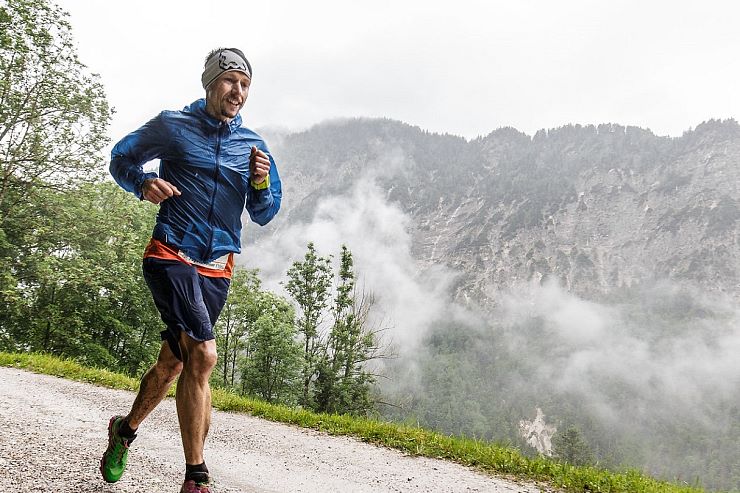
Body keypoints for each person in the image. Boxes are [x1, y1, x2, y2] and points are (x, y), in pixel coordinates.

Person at [102, 47, 281, 493]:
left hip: (217, 268)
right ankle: (196, 476)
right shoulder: (173, 126)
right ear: (209, 83)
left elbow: (264, 212)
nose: (237, 91)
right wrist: (142, 182)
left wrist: (260, 182)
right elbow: (121, 157)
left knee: (173, 363)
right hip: (171, 253)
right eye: (229, 81)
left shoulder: (253, 146)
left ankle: (124, 431)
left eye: (244, 84)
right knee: (202, 355)